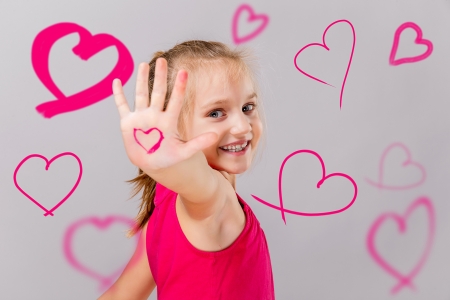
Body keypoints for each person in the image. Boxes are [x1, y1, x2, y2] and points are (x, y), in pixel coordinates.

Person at [98, 40, 275, 300]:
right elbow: (200, 182)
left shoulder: (164, 206)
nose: (242, 126)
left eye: (247, 107)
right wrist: (165, 160)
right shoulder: (213, 201)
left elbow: (121, 295)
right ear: (174, 130)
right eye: (216, 113)